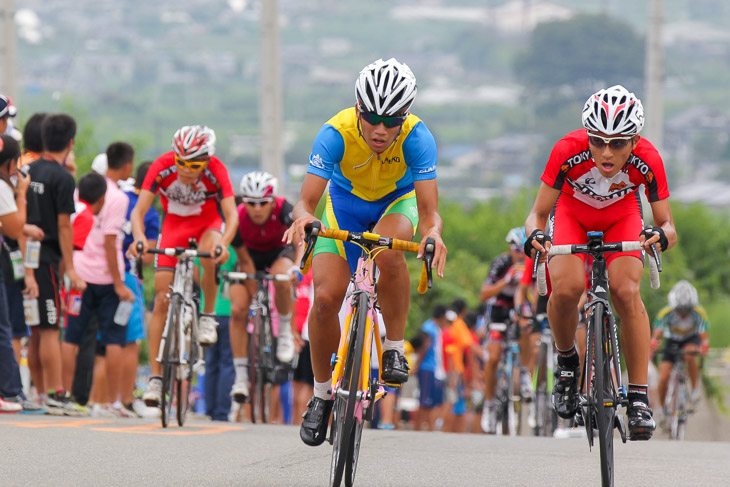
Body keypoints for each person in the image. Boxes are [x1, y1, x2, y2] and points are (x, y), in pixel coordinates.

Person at [284, 58, 447, 447]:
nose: (380, 128)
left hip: (396, 204)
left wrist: (434, 234)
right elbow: (306, 201)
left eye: (391, 120)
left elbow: (428, 213)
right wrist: (304, 220)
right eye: (371, 116)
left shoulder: (417, 138)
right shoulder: (335, 132)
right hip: (343, 206)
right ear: (358, 108)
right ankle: (322, 395)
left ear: (404, 117)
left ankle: (392, 347)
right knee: (324, 299)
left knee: (388, 253)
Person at [524, 85, 677, 441]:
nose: (606, 152)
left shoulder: (649, 159)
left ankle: (638, 396)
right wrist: (535, 235)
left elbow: (668, 223)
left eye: (618, 143)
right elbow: (537, 213)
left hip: (621, 216)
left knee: (626, 291)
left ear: (634, 141)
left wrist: (662, 235)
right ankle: (566, 364)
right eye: (598, 140)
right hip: (571, 215)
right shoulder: (566, 150)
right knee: (566, 289)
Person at [128, 125, 238, 408]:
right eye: (181, 163)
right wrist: (140, 238)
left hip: (207, 225)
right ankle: (155, 378)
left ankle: (208, 315)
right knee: (161, 302)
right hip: (174, 225)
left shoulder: (217, 170)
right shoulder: (161, 166)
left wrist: (224, 244)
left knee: (209, 253)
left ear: (207, 160)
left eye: (194, 164)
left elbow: (231, 215)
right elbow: (139, 211)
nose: (186, 170)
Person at [62, 142, 135, 417]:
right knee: (114, 339)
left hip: (79, 274)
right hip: (106, 279)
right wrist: (119, 283)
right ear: (126, 165)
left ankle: (64, 395)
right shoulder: (118, 197)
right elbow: (109, 241)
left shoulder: (84, 188)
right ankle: (111, 402)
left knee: (72, 337)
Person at [25, 113, 86, 412]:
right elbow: (65, 226)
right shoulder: (62, 178)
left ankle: (37, 393)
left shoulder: (26, 168)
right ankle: (55, 392)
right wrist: (71, 269)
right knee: (50, 327)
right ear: (70, 142)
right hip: (47, 258)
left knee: (34, 329)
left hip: (22, 254)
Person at [228, 171, 301, 404]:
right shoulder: (237, 217)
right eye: (251, 203)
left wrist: (297, 268)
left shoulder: (283, 209)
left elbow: (300, 240)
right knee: (238, 311)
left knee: (281, 277)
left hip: (280, 252)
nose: (257, 209)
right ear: (244, 202)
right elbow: (245, 262)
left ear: (272, 201)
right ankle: (240, 377)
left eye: (262, 203)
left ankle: (286, 331)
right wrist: (253, 298)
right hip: (250, 256)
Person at [479, 227, 531, 434]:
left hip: (520, 308)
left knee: (528, 328)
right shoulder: (501, 263)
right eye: (515, 249)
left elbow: (535, 296)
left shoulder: (532, 265)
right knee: (492, 358)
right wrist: (506, 280)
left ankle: (525, 373)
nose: (519, 254)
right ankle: (490, 403)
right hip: (498, 310)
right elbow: (484, 294)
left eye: (524, 250)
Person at [0, 134, 33, 413]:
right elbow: (14, 227)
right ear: (11, 163)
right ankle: (10, 391)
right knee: (3, 327)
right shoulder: (2, 187)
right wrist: (21, 193)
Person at [651, 280, 709, 415]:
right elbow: (657, 333)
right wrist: (654, 342)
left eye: (687, 310)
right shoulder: (666, 313)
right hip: (672, 341)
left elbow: (703, 337)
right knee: (664, 376)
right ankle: (662, 407)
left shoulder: (699, 313)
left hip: (691, 339)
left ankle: (694, 390)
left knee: (689, 354)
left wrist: (703, 347)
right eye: (679, 310)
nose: (683, 314)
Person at [413, 304, 449, 431]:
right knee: (424, 400)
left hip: (433, 368)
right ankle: (418, 427)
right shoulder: (429, 327)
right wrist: (416, 364)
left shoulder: (435, 328)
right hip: (426, 367)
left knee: (430, 401)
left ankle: (429, 427)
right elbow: (424, 347)